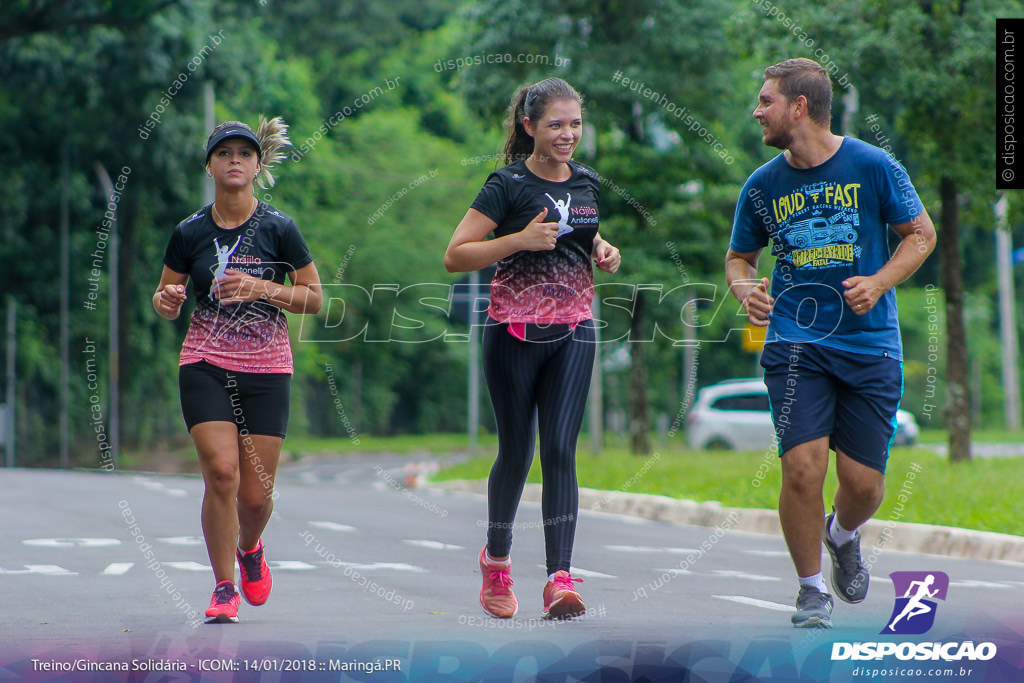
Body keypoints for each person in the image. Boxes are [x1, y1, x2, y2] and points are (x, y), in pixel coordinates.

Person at [726, 58, 936, 628]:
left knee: (864, 486)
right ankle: (810, 589)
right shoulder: (763, 184)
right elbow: (739, 258)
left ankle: (842, 535)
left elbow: (921, 234)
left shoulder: (873, 166)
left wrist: (879, 281)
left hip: (870, 345)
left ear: (798, 106)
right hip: (796, 342)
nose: (757, 111)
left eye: (766, 100)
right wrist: (747, 292)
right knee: (802, 469)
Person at [445, 77, 620, 620]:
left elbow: (581, 233)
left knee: (561, 451)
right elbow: (456, 255)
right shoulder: (506, 185)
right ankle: (496, 562)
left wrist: (603, 248)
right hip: (513, 331)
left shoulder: (588, 183)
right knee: (518, 453)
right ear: (529, 126)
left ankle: (559, 580)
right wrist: (517, 240)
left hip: (574, 328)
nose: (568, 134)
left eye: (575, 123)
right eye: (555, 125)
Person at [153, 117, 322, 623]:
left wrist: (261, 288)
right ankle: (224, 586)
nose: (234, 161)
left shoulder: (279, 228)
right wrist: (166, 300)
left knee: (255, 495)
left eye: (244, 154)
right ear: (209, 165)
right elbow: (165, 299)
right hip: (204, 362)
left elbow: (315, 299)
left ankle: (250, 548)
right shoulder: (189, 232)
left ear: (257, 164)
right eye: (223, 153)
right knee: (221, 474)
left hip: (267, 369)